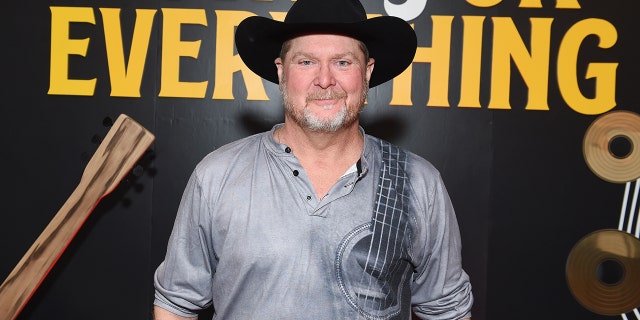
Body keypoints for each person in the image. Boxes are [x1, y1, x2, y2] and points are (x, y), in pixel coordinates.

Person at [153, 0, 474, 319]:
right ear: (281, 72)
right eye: (306, 62)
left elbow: (448, 310)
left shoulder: (417, 183)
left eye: (343, 63)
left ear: (367, 72)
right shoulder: (218, 175)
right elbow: (176, 304)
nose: (324, 80)